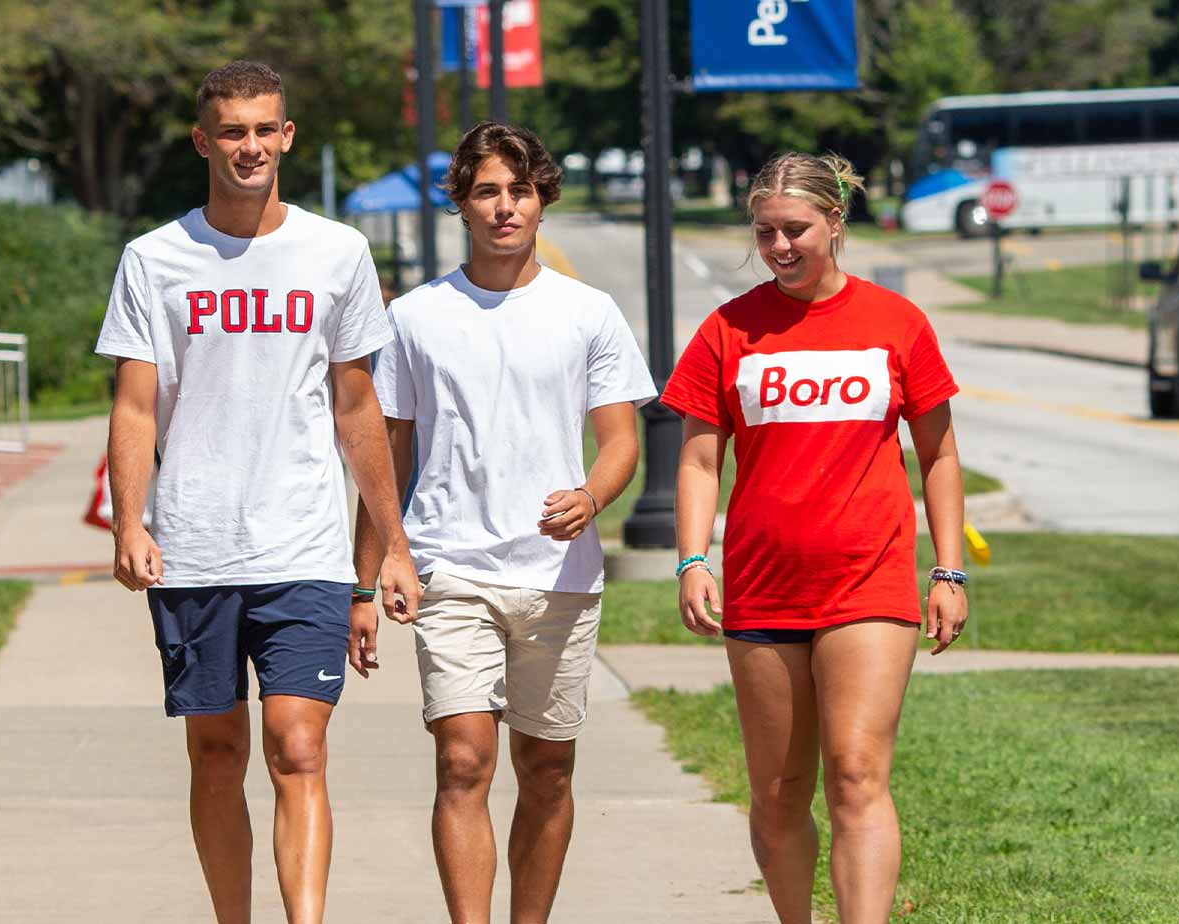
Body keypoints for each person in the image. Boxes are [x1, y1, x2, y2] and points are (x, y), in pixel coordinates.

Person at [96, 59, 422, 924]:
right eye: (231, 132)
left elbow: (359, 406)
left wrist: (390, 544)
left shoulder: (336, 252)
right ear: (204, 141)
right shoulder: (155, 258)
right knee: (215, 750)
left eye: (263, 129)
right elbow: (135, 406)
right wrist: (130, 521)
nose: (249, 147)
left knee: (298, 745)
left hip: (303, 544)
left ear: (287, 137)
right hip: (194, 545)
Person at [352, 121, 655, 923]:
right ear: (462, 202)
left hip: (559, 576)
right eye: (486, 190)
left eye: (519, 190)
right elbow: (386, 456)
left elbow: (621, 439)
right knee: (462, 760)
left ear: (542, 198)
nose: (504, 207)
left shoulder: (587, 312)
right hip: (452, 568)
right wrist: (372, 570)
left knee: (549, 768)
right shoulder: (415, 317)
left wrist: (590, 497)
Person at [662, 152, 971, 924]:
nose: (779, 247)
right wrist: (694, 558)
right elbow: (701, 458)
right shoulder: (728, 330)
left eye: (795, 229)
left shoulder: (896, 323)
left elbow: (938, 454)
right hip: (764, 588)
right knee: (777, 792)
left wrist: (949, 571)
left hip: (869, 582)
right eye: (765, 233)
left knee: (858, 772)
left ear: (835, 222)